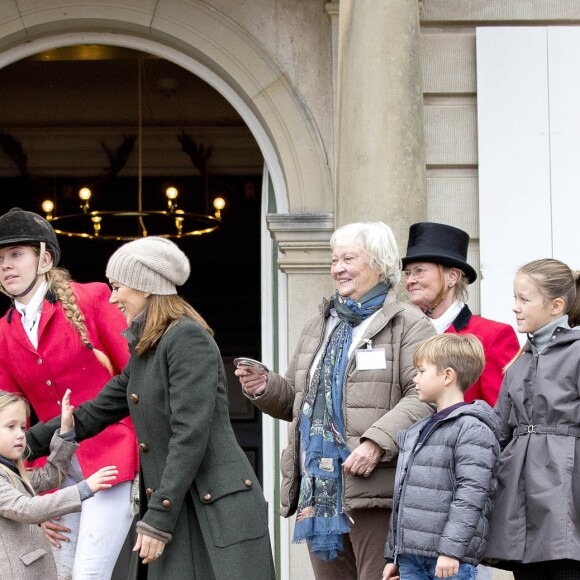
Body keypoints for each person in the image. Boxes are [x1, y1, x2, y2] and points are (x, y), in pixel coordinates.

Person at [25, 236, 275, 580]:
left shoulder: (187, 339)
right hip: (181, 502)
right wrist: (25, 444)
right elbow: (93, 412)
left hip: (215, 508)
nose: (112, 298)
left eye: (117, 287)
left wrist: (157, 518)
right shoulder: (146, 350)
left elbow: (190, 434)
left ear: (145, 287)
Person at [235, 221, 436, 580]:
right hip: (319, 490)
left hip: (374, 488)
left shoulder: (408, 322)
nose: (337, 268)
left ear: (378, 262)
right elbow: (298, 402)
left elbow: (423, 396)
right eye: (333, 260)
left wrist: (376, 442)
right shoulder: (320, 324)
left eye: (348, 258)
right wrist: (265, 387)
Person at [0, 207, 137, 579]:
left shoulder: (92, 298)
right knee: (56, 574)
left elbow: (135, 375)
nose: (6, 266)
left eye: (16, 254)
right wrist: (33, 501)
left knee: (89, 574)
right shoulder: (2, 331)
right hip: (52, 473)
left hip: (111, 458)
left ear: (44, 258)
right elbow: (11, 421)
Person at [484, 258, 580, 579]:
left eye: (524, 299)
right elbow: (500, 429)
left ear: (556, 305)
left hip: (566, 493)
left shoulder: (577, 351)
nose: (515, 307)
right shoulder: (520, 360)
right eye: (515, 298)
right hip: (518, 496)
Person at [382, 334, 500, 580]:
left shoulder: (472, 428)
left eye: (421, 371)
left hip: (448, 562)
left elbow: (471, 494)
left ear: (447, 375)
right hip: (411, 557)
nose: (414, 379)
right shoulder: (417, 430)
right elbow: (403, 494)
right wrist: (394, 555)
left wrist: (451, 551)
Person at [0, 389, 118, 579]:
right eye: (11, 426)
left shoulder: (11, 470)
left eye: (22, 427)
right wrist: (83, 489)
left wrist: (65, 433)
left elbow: (50, 476)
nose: (21, 434)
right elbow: (28, 509)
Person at [402, 221, 520, 407]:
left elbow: (500, 414)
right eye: (407, 273)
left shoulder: (493, 335)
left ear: (453, 276)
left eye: (419, 271)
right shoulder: (403, 333)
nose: (410, 280)